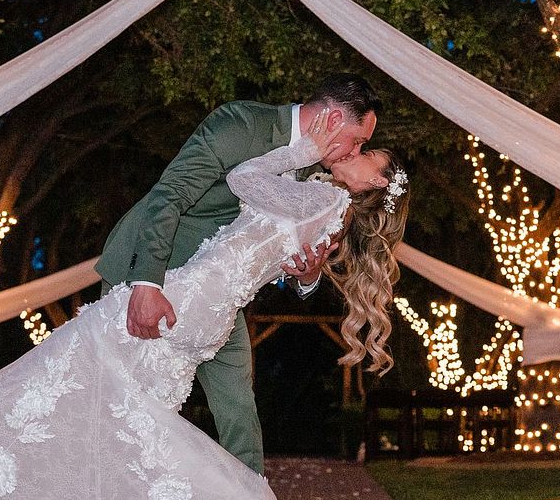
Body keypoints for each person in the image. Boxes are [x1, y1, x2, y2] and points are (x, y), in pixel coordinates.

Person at [0, 112, 410, 500]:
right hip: (208, 314)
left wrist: (305, 150)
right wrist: (307, 272)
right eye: (358, 144)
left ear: (378, 183)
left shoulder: (320, 193)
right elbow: (290, 265)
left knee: (72, 374)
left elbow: (243, 177)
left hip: (183, 298)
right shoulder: (331, 213)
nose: (354, 153)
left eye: (369, 156)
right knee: (131, 422)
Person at [94, 73, 384, 473]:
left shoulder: (315, 174)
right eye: (358, 140)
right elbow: (169, 194)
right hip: (151, 270)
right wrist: (147, 284)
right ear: (333, 120)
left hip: (217, 295)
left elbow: (266, 246)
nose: (355, 151)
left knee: (239, 410)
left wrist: (306, 276)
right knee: (125, 401)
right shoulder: (240, 123)